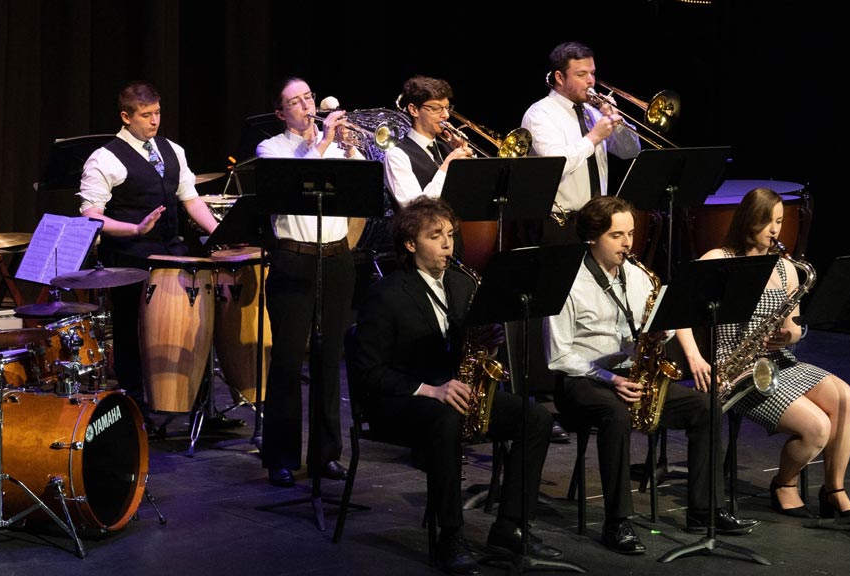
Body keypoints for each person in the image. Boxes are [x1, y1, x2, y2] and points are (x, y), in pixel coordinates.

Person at [350, 196, 559, 574]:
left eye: (450, 234)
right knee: (444, 420)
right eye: (436, 236)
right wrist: (429, 389)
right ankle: (450, 535)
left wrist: (487, 344)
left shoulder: (463, 285)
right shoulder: (387, 293)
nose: (448, 244)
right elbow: (368, 371)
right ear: (411, 245)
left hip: (453, 392)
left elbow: (464, 349)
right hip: (399, 401)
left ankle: (510, 527)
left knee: (535, 417)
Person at [544, 196, 758, 554]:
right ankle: (617, 522)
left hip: (635, 374)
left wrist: (662, 333)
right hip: (583, 380)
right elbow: (559, 355)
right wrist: (610, 380)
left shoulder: (639, 275)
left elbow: (666, 322)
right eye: (617, 235)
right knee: (614, 415)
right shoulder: (568, 282)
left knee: (705, 406)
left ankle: (706, 509)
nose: (628, 243)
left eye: (630, 233)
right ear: (593, 238)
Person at [675, 187, 850, 519]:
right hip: (736, 371)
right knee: (817, 428)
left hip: (779, 362)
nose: (775, 230)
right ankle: (784, 484)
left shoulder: (785, 268)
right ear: (749, 220)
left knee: (845, 398)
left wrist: (792, 333)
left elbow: (796, 325)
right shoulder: (718, 260)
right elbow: (679, 313)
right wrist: (696, 358)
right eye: (768, 221)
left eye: (780, 221)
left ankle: (835, 489)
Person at [77, 81, 219, 401]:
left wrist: (221, 233)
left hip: (171, 252)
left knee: (189, 327)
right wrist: (134, 229)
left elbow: (191, 200)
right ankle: (136, 405)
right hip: (130, 257)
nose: (154, 121)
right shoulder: (105, 158)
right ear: (126, 117)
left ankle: (194, 402)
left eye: (157, 113)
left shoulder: (172, 150)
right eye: (145, 115)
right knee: (132, 332)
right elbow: (90, 215)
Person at [254, 78, 359, 487]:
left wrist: (349, 149)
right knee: (286, 361)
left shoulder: (337, 145)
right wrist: (325, 141)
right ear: (282, 113)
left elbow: (360, 193)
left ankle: (326, 454)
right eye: (294, 102)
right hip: (293, 260)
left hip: (336, 259)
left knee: (329, 359)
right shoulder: (271, 148)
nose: (305, 105)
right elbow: (293, 188)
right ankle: (281, 457)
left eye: (308, 97)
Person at [520, 42, 640, 246]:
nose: (591, 81)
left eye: (592, 73)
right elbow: (557, 164)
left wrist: (617, 121)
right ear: (559, 77)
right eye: (581, 74)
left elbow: (631, 151)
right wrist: (593, 137)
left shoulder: (592, 112)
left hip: (597, 221)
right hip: (560, 223)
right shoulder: (540, 114)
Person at [383, 76, 473, 207]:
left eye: (447, 108)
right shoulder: (397, 155)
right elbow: (415, 208)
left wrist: (465, 159)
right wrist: (448, 166)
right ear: (414, 110)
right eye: (436, 108)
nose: (446, 115)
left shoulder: (447, 148)